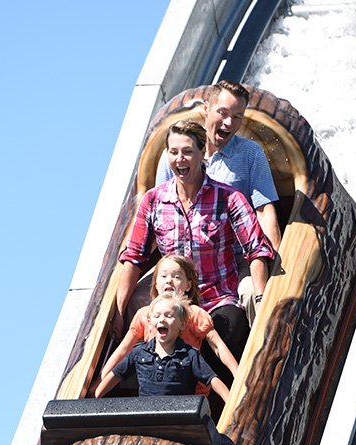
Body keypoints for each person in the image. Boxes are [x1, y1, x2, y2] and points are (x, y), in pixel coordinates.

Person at [115, 120, 274, 385]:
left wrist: (260, 297)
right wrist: (118, 314)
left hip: (217, 297)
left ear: (203, 154)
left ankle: (224, 401)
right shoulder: (154, 200)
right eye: (174, 152)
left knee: (227, 329)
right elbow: (134, 256)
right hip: (170, 305)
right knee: (155, 337)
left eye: (187, 151)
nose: (180, 159)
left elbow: (256, 248)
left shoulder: (229, 197)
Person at [157, 80, 282, 323]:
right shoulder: (174, 155)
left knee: (252, 293)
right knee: (147, 302)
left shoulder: (249, 154)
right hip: (184, 263)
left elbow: (265, 210)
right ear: (206, 110)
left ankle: (261, 354)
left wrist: (274, 261)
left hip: (236, 259)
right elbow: (158, 212)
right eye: (223, 113)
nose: (229, 123)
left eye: (237, 117)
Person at [95, 254, 239, 399]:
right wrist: (101, 379)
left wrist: (238, 373)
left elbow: (218, 346)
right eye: (163, 276)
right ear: (156, 284)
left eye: (176, 277)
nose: (169, 280)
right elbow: (123, 350)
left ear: (188, 285)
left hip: (191, 396)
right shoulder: (145, 315)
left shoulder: (195, 314)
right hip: (155, 393)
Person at [95, 293, 230, 402]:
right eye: (157, 316)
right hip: (147, 416)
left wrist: (229, 400)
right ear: (150, 323)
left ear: (182, 325)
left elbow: (211, 379)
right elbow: (116, 374)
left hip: (179, 417)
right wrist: (96, 397)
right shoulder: (139, 353)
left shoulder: (189, 355)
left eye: (169, 315)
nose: (162, 319)